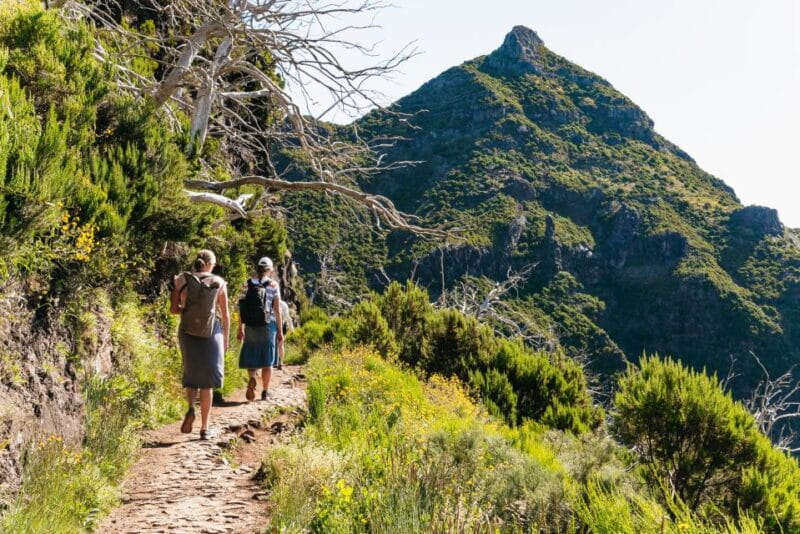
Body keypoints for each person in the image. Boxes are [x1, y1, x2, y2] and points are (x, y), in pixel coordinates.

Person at [170, 249, 230, 440]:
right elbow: (226, 315)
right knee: (207, 383)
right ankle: (205, 427)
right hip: (211, 334)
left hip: (187, 332)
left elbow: (174, 309)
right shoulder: (218, 282)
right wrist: (225, 340)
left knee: (191, 375)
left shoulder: (181, 279)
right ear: (210, 264)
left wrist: (187, 310)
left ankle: (190, 408)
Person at [237, 257, 283, 401]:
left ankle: (251, 378)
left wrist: (240, 328)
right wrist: (280, 331)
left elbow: (242, 308)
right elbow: (277, 309)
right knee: (267, 360)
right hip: (268, 324)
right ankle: (265, 391)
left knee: (252, 354)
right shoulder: (273, 285)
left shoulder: (247, 284)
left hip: (250, 324)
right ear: (270, 270)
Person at [275, 297, 294, 370]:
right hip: (282, 326)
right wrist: (291, 328)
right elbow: (288, 317)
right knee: (280, 344)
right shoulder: (283, 304)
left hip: (273, 325)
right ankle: (280, 362)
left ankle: (277, 362)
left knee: (276, 344)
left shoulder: (269, 301)